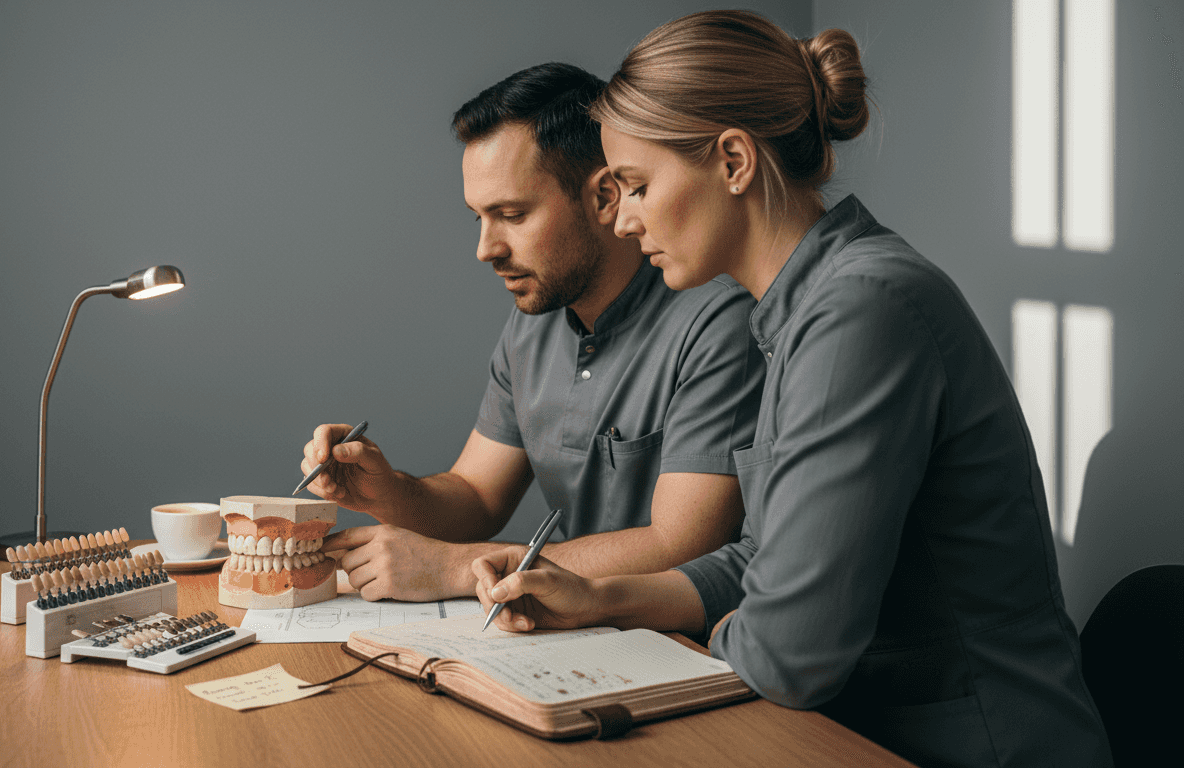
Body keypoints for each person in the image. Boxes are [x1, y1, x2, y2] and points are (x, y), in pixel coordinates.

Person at [472, 12, 1111, 768]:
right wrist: (603, 598)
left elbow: (788, 653)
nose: (626, 220)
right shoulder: (805, 310)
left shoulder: (859, 311)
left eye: (639, 186)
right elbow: (763, 562)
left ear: (734, 161)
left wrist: (723, 630)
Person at [304, 63, 764, 602]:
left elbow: (683, 544)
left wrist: (457, 568)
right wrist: (389, 490)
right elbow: (476, 497)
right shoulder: (532, 325)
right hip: (561, 629)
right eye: (479, 218)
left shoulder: (717, 319)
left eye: (512, 214)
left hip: (687, 645)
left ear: (605, 198)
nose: (487, 249)